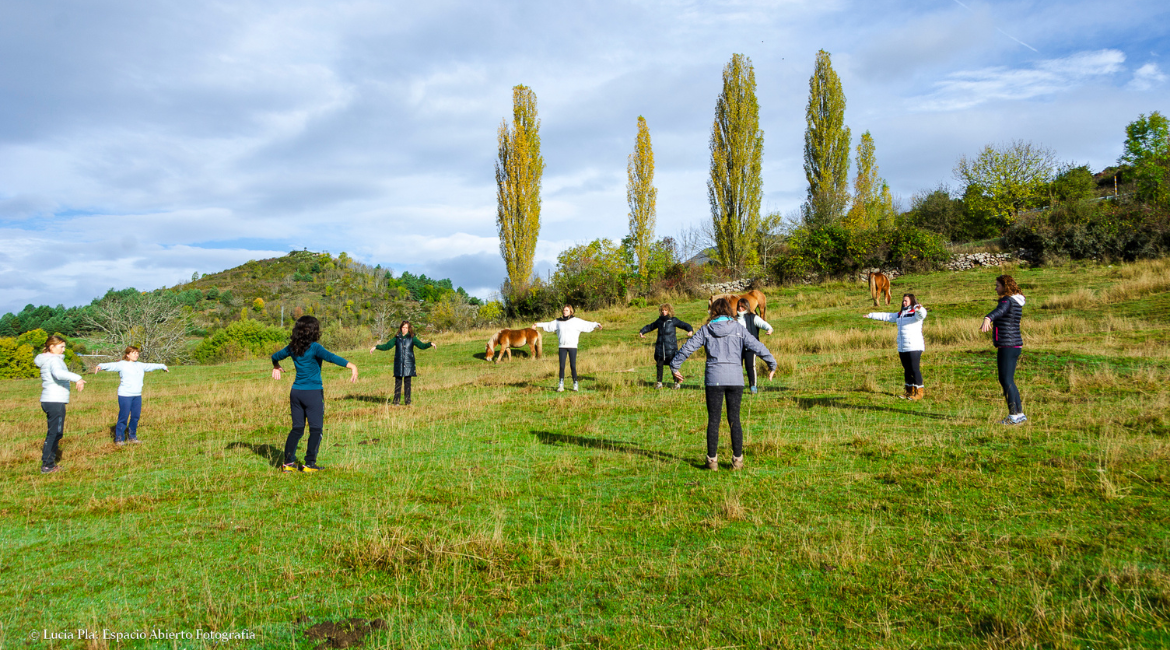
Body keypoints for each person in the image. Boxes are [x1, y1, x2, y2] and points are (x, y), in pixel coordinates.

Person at [670, 297, 777, 471]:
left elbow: (688, 347)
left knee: (714, 420)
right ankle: (737, 460)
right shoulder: (738, 328)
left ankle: (712, 461)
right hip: (735, 379)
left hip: (714, 380)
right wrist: (771, 363)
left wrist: (674, 366)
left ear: (713, 312)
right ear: (730, 310)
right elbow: (756, 346)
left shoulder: (706, 329)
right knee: (734, 419)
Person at [271, 316, 358, 472]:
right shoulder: (315, 347)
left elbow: (275, 356)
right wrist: (351, 366)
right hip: (313, 393)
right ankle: (309, 464)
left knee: (297, 429)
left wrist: (276, 366)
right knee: (316, 429)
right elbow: (332, 357)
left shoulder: (292, 347)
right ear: (313, 331)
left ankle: (288, 464)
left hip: (296, 392)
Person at [93, 346, 169, 444]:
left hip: (137, 395)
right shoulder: (122, 364)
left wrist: (163, 366)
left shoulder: (140, 365)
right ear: (128, 354)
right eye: (133, 353)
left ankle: (132, 437)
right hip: (125, 395)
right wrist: (100, 366)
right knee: (123, 417)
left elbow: (151, 366)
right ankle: (119, 439)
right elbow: (111, 365)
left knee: (135, 417)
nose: (136, 355)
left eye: (137, 353)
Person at [35, 335, 85, 474]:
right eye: (61, 346)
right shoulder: (54, 360)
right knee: (55, 432)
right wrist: (78, 378)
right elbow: (58, 374)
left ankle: (48, 463)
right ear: (52, 347)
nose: (64, 349)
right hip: (54, 400)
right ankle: (47, 465)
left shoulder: (48, 359)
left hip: (51, 400)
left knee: (55, 432)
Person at [862, 294, 928, 400]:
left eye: (906, 301)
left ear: (911, 301)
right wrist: (871, 315)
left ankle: (919, 393)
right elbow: (887, 316)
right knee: (907, 369)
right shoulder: (900, 314)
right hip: (903, 347)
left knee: (914, 369)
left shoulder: (915, 313)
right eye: (903, 301)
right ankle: (909, 391)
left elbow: (923, 314)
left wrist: (919, 309)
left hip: (914, 346)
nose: (903, 302)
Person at [981, 274, 1027, 424]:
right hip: (1014, 344)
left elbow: (999, 311)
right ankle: (1019, 413)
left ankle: (1013, 415)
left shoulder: (1007, 301)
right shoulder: (1016, 301)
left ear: (1005, 287)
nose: (995, 288)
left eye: (997, 286)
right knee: (1009, 380)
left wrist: (988, 318)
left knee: (1005, 379)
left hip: (1007, 344)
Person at [369, 321, 437, 406]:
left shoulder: (412, 338)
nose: (404, 329)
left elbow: (421, 346)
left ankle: (408, 402)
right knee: (398, 383)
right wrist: (376, 347)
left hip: (409, 363)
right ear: (401, 328)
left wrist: (430, 344)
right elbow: (387, 346)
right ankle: (396, 402)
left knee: (407, 383)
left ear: (409, 329)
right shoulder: (396, 338)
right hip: (399, 363)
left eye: (406, 328)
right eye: (403, 327)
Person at [535, 305, 602, 392]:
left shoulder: (576, 321)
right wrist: (537, 324)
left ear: (570, 311)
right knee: (562, 366)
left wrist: (596, 324)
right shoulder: (558, 321)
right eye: (564, 310)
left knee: (573, 366)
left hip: (572, 346)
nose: (564, 312)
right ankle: (561, 384)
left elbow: (586, 324)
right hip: (562, 346)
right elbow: (548, 324)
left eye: (566, 310)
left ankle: (575, 384)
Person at [638, 304, 693, 389]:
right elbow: (650, 326)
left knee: (673, 366)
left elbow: (684, 325)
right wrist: (642, 331)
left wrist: (690, 330)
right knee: (659, 366)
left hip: (671, 349)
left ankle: (676, 383)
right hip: (660, 349)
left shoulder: (673, 320)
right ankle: (659, 383)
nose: (664, 312)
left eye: (666, 310)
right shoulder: (659, 321)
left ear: (669, 311)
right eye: (662, 310)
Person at [735, 298, 774, 395]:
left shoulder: (753, 317)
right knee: (736, 367)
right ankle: (737, 386)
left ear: (746, 307)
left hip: (751, 347)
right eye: (739, 306)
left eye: (742, 306)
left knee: (750, 366)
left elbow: (764, 324)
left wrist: (769, 329)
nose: (740, 308)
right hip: (737, 347)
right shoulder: (734, 319)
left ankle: (753, 386)